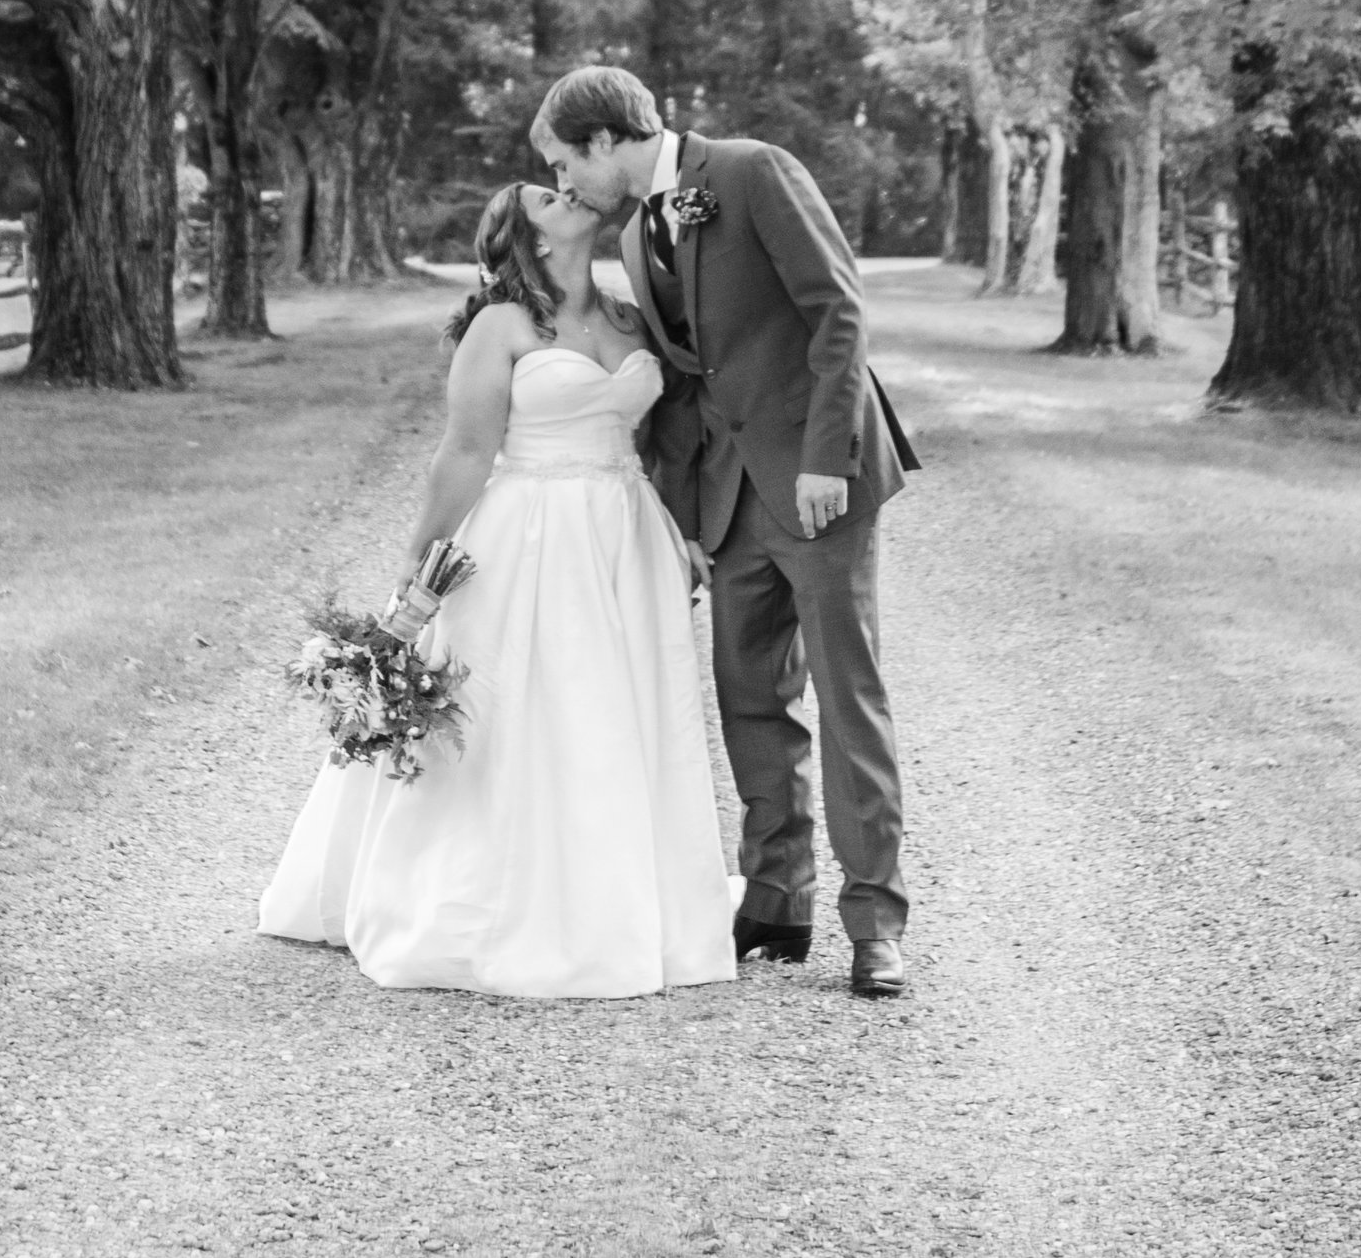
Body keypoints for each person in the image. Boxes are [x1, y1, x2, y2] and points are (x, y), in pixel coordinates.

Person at [257, 177, 736, 1000]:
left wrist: (682, 530)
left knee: (617, 714)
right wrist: (418, 563)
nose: (571, 193)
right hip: (529, 534)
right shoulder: (501, 326)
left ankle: (617, 901)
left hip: (624, 537)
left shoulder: (630, 317)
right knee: (523, 712)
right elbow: (466, 452)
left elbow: (668, 441)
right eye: (549, 198)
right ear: (532, 239)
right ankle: (493, 906)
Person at [530, 63, 918, 1001]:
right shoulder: (631, 227)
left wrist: (830, 459)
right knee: (749, 702)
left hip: (820, 485)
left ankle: (876, 927)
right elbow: (686, 382)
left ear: (603, 143)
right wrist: (680, 516)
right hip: (731, 499)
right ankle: (777, 901)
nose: (566, 187)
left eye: (562, 164)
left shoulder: (752, 171)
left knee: (845, 697)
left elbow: (837, 314)